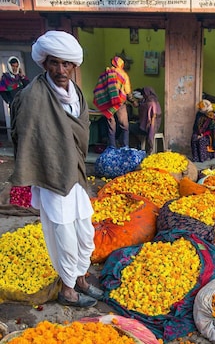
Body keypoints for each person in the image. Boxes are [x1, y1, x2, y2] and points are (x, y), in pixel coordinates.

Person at [9, 30, 103, 308]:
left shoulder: (76, 94)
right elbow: (23, 134)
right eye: (54, 63)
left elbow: (79, 131)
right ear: (44, 63)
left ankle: (82, 278)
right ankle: (68, 289)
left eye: (66, 64)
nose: (60, 70)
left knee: (85, 230)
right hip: (50, 173)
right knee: (62, 232)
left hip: (74, 172)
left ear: (74, 65)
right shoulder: (32, 95)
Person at [93, 56, 133, 148]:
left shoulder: (106, 73)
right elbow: (127, 91)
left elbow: (100, 87)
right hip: (119, 103)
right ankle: (125, 147)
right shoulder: (123, 75)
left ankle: (112, 147)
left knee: (111, 126)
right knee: (125, 126)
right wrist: (133, 101)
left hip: (108, 103)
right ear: (121, 64)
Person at [130, 86, 162, 154]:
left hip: (148, 127)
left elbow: (152, 115)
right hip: (155, 127)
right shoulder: (155, 101)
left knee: (128, 128)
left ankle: (137, 145)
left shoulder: (149, 103)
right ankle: (139, 145)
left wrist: (150, 124)